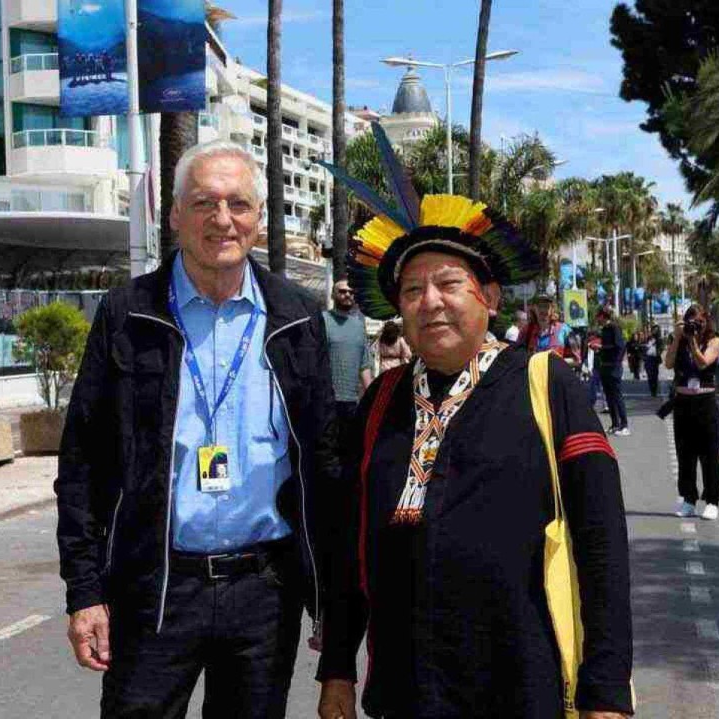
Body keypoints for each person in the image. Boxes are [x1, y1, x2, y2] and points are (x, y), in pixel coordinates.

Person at [313, 157, 633, 719]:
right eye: (412, 290)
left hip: (519, 686)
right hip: (403, 691)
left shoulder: (547, 384)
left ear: (487, 295)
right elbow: (350, 544)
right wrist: (337, 666)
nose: (430, 300)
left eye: (448, 283)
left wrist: (605, 689)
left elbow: (601, 543)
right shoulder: (381, 399)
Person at [55, 140, 338, 718]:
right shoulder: (127, 313)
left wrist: (329, 595)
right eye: (205, 203)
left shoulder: (297, 316)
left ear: (258, 217)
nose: (222, 219)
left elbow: (323, 463)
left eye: (238, 204)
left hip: (264, 592)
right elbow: (83, 461)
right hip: (156, 590)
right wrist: (85, 592)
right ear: (176, 215)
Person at [664, 304, 719, 521]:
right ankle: (688, 499)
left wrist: (691, 342)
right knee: (685, 455)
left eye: (698, 322)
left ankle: (712, 501)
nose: (695, 326)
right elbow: (668, 363)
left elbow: (702, 363)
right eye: (691, 321)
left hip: (705, 402)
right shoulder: (679, 341)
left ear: (706, 322)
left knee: (709, 455)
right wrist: (677, 338)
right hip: (683, 403)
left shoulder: (714, 340)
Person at [324, 279, 374, 430]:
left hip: (351, 402)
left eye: (351, 292)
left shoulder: (359, 326)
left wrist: (373, 397)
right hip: (327, 400)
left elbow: (364, 365)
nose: (347, 295)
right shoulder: (323, 320)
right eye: (342, 291)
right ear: (333, 295)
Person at [595, 307, 629, 436]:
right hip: (605, 366)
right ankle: (615, 424)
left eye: (598, 316)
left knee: (617, 396)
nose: (597, 319)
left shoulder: (614, 328)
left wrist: (603, 348)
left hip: (614, 367)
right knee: (609, 396)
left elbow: (620, 346)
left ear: (603, 316)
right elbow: (607, 348)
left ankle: (624, 425)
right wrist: (600, 350)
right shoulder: (603, 330)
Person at [643, 325, 664, 398]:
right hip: (648, 359)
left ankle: (654, 391)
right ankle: (652, 390)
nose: (654, 331)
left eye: (655, 330)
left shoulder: (659, 339)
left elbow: (661, 348)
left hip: (654, 359)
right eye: (653, 330)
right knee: (649, 375)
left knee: (654, 375)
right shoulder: (648, 338)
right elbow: (644, 347)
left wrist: (656, 351)